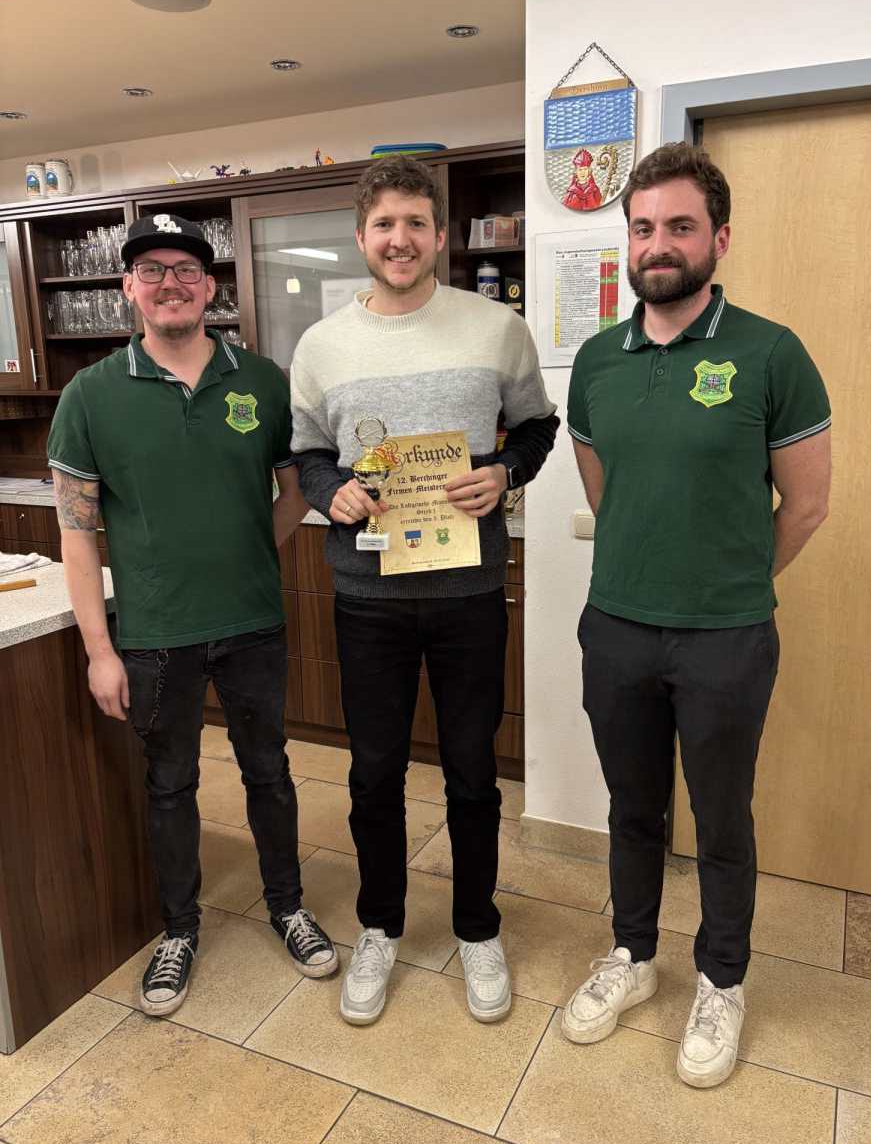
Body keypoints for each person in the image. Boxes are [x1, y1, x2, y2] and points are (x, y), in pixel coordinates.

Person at [563, 143, 831, 1087]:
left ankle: (722, 979)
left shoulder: (771, 353)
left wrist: (726, 582)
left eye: (680, 226)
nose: (659, 244)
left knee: (721, 816)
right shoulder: (597, 360)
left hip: (727, 638)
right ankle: (633, 955)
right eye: (643, 228)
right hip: (617, 628)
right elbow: (607, 490)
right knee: (633, 807)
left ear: (719, 238)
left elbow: (806, 506)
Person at [290, 155, 559, 1025]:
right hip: (368, 598)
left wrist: (506, 473)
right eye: (384, 225)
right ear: (361, 238)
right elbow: (308, 452)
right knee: (373, 772)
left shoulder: (496, 328)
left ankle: (478, 927)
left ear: (440, 236)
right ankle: (380, 925)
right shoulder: (321, 346)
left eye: (415, 223)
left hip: (467, 592)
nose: (399, 239)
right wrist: (329, 491)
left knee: (474, 772)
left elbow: (538, 427)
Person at [47, 213, 337, 1017]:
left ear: (210, 287)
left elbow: (294, 493)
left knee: (269, 771)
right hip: (153, 636)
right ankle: (179, 930)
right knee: (170, 784)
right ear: (127, 288)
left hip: (252, 624)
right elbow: (76, 532)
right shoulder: (91, 394)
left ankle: (288, 907)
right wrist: (99, 649)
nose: (169, 283)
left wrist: (246, 550)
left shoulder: (263, 381)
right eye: (152, 270)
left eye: (185, 270)